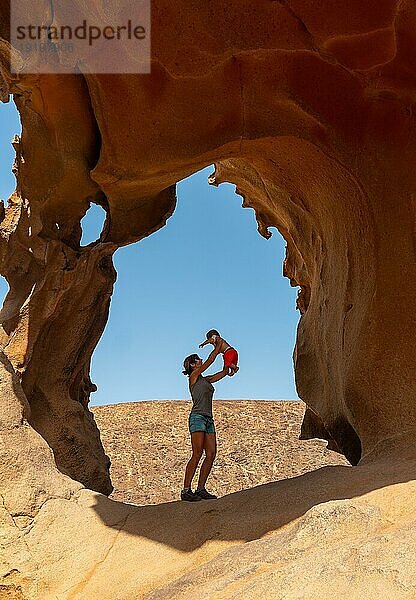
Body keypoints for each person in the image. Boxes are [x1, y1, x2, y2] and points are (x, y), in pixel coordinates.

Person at [181, 342, 229, 501]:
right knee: (197, 453)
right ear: (193, 365)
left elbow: (221, 374)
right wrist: (218, 347)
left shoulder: (205, 380)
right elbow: (209, 362)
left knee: (211, 453)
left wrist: (229, 366)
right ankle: (186, 490)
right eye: (198, 360)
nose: (201, 361)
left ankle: (200, 488)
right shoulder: (194, 377)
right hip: (197, 417)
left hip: (208, 419)